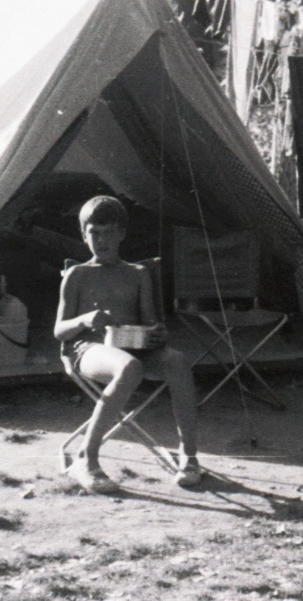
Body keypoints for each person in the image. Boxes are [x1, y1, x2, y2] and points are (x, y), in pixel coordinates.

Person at [55, 195, 202, 494]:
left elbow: (150, 323)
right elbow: (59, 331)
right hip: (89, 348)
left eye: (109, 232)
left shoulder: (138, 274)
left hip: (132, 345)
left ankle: (189, 456)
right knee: (130, 368)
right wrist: (84, 319)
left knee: (177, 361)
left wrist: (157, 334)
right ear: (84, 235)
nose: (102, 240)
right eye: (94, 232)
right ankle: (87, 457)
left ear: (122, 233)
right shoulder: (77, 275)